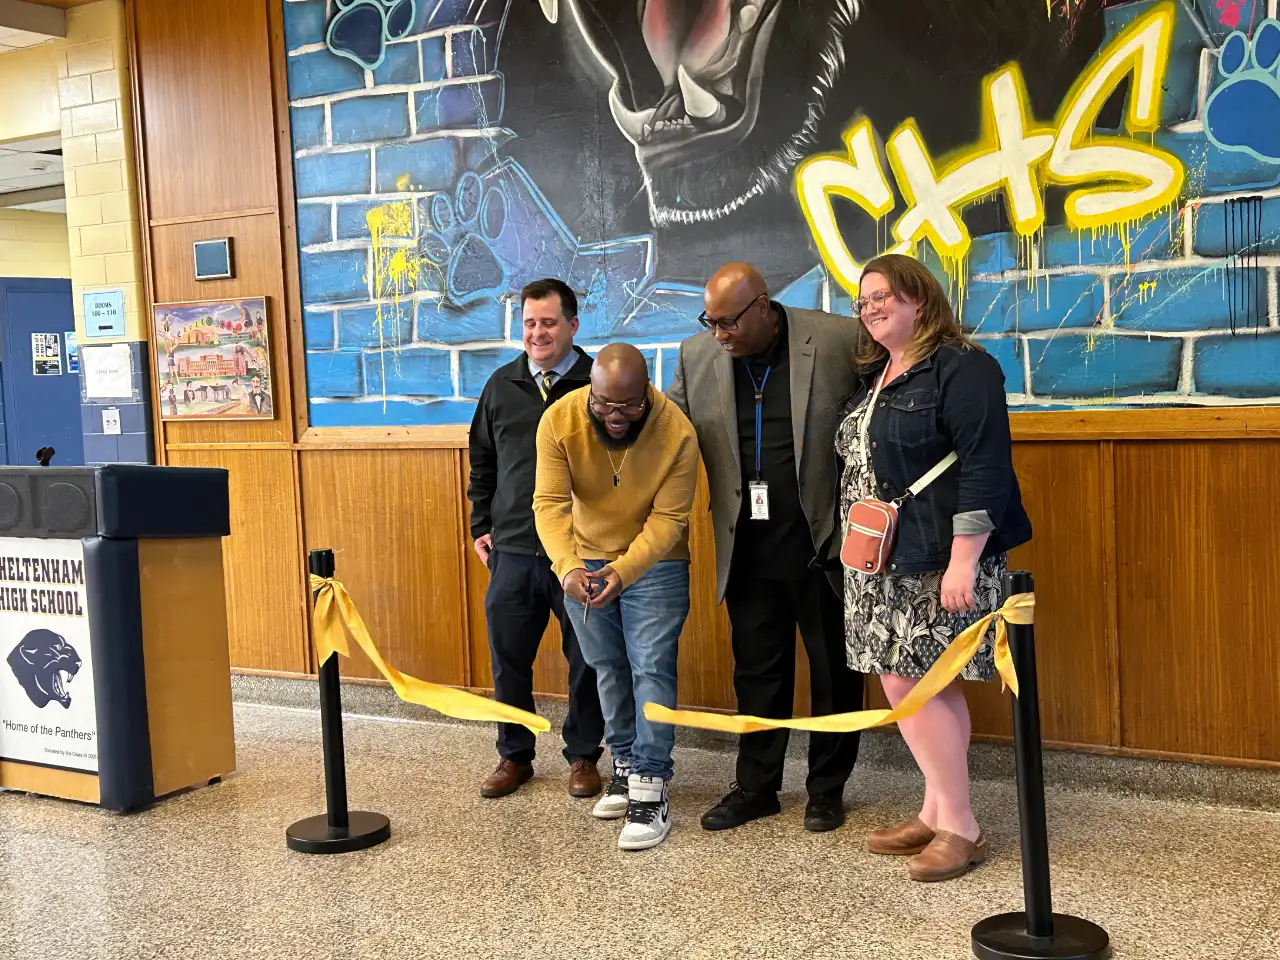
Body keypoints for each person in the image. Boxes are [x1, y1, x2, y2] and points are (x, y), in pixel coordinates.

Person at [836, 253, 1032, 882]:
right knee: (913, 684)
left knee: (915, 684)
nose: (871, 307)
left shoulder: (963, 366)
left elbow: (985, 466)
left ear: (921, 299)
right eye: (863, 299)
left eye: (883, 295)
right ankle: (933, 808)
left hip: (935, 558)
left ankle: (961, 826)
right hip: (880, 559)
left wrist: (964, 561)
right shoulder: (879, 372)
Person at [666, 263, 865, 834]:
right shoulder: (696, 354)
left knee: (833, 673)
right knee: (756, 673)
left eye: (729, 321)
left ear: (763, 306)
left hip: (822, 543)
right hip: (746, 547)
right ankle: (756, 788)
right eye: (711, 320)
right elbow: (669, 433)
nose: (719, 332)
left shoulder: (833, 339)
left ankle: (827, 789)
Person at [533, 343, 699, 851]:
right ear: (590, 391)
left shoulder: (677, 431)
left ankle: (651, 784)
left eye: (629, 405)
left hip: (655, 564)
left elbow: (670, 520)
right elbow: (549, 503)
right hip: (583, 559)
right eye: (604, 405)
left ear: (648, 394)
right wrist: (567, 569)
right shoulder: (559, 420)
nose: (616, 416)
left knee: (650, 666)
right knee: (606, 665)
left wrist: (624, 572)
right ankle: (625, 766)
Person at [467, 278, 606, 801]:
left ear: (572, 324)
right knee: (508, 658)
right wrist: (482, 523)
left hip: (580, 552)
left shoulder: (600, 383)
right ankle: (513, 755)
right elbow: (482, 459)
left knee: (588, 659)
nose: (537, 332)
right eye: (529, 323)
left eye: (548, 322)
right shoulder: (502, 385)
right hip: (515, 551)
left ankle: (584, 756)